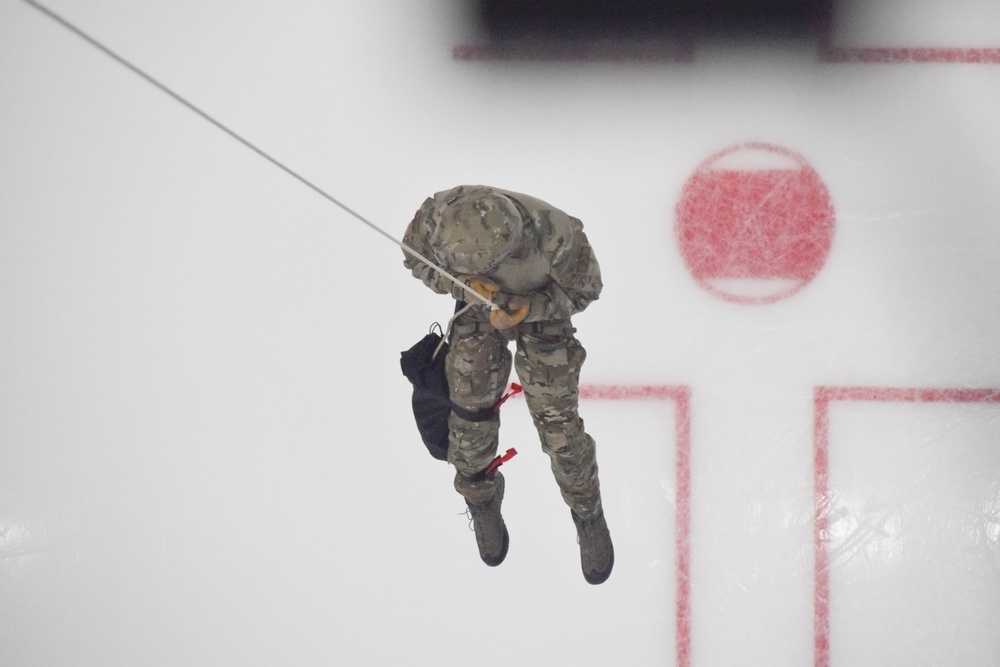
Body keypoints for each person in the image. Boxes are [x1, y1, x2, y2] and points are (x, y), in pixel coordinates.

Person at [402, 184, 613, 585]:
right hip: (477, 307)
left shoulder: (557, 236)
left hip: (541, 308)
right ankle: (481, 496)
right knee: (467, 413)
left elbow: (586, 290)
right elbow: (416, 261)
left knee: (559, 429)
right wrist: (466, 288)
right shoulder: (437, 219)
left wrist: (531, 308)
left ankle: (587, 512)